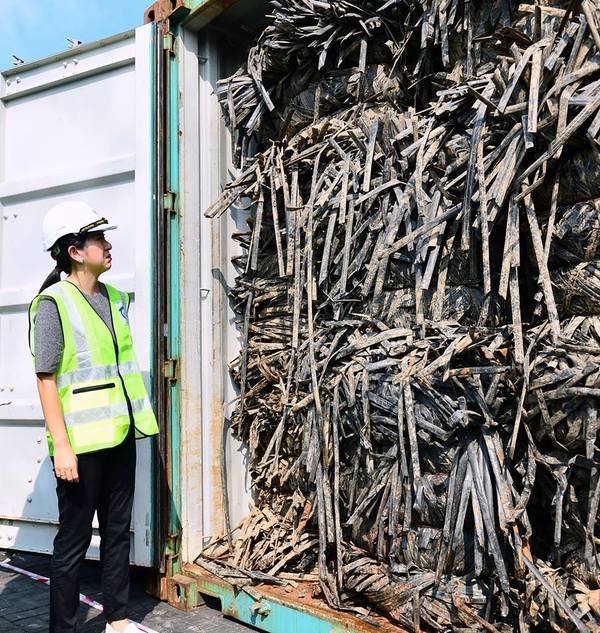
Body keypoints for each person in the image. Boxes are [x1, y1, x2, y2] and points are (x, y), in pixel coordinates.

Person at [28, 201, 159, 633]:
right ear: (75, 251)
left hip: (121, 434)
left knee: (118, 532)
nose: (108, 245)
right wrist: (61, 446)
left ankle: (117, 620)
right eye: (99, 238)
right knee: (74, 540)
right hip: (80, 447)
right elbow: (46, 377)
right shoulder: (53, 303)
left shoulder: (115, 298)